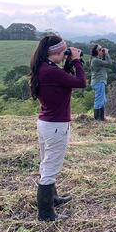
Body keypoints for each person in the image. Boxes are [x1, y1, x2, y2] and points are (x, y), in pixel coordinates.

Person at [29, 35, 86, 221]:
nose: (65, 54)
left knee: (47, 163)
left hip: (47, 123)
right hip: (55, 126)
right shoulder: (50, 71)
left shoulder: (45, 68)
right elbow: (80, 82)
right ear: (55, 52)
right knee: (50, 167)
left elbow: (64, 80)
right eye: (63, 51)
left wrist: (68, 63)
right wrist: (76, 61)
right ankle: (45, 214)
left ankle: (52, 198)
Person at [90, 44, 112, 121]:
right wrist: (107, 53)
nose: (102, 50)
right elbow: (109, 63)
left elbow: (104, 62)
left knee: (102, 100)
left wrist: (103, 54)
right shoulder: (95, 60)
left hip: (99, 82)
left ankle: (101, 117)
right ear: (96, 52)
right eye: (100, 50)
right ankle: (97, 118)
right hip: (98, 82)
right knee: (99, 100)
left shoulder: (96, 59)